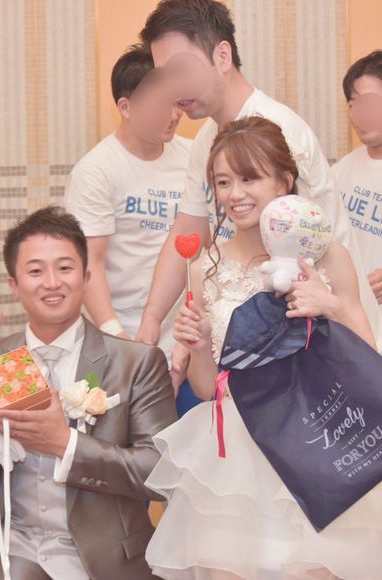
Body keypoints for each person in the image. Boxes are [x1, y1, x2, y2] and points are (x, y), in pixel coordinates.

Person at [145, 116, 382, 579]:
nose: (235, 194)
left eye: (249, 178)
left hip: (318, 439)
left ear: (284, 181)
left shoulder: (327, 255)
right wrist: (197, 345)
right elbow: (207, 387)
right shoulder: (205, 268)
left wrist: (329, 306)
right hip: (238, 451)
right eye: (223, 182)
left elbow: (367, 361)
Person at [0, 206, 178, 580]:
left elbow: (160, 473)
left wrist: (64, 444)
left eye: (65, 268)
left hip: (105, 557)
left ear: (86, 277)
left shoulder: (135, 362)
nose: (51, 283)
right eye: (35, 271)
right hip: (16, 550)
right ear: (14, 284)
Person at [135, 0, 382, 351]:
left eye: (180, 69)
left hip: (322, 333)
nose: (173, 88)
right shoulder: (206, 138)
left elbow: (306, 259)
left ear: (222, 56)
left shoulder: (279, 131)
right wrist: (152, 318)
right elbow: (189, 228)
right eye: (164, 75)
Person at [65, 45, 198, 409]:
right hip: (122, 339)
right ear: (126, 107)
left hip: (188, 339)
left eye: (177, 103)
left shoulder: (195, 156)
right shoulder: (96, 171)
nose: (174, 115)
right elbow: (90, 262)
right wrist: (116, 337)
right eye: (161, 104)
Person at [333, 50, 382, 344]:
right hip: (351, 329)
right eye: (353, 104)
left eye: (369, 102)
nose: (359, 114)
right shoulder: (340, 171)